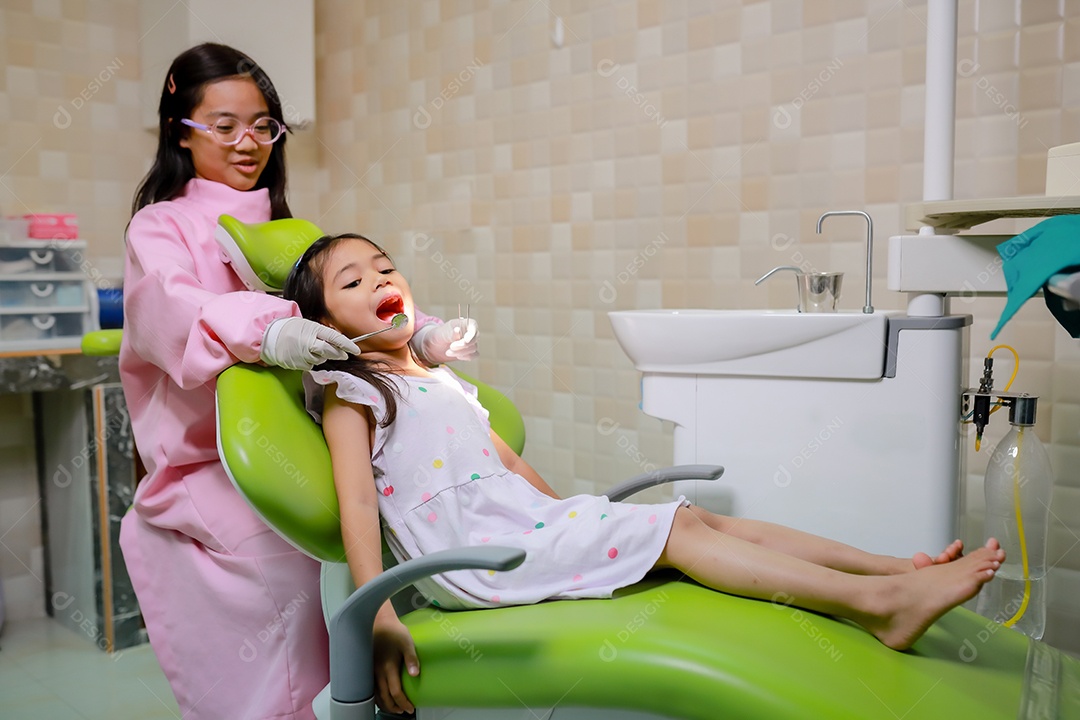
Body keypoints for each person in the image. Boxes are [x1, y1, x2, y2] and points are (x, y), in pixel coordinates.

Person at [284, 233, 1006, 715]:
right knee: (680, 532)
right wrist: (377, 611)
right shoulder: (355, 393)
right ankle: (875, 608)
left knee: (692, 518)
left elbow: (505, 464)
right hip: (479, 560)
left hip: (518, 528)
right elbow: (356, 500)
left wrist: (572, 514)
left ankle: (888, 574)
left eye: (385, 266)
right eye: (352, 280)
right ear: (326, 326)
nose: (380, 278)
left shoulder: (439, 381)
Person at [118, 44, 477, 719]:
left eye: (263, 125)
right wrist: (267, 331)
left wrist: (420, 328)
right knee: (295, 581)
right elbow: (168, 306)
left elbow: (350, 295)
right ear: (179, 129)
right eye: (224, 126)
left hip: (310, 447)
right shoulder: (159, 228)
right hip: (206, 469)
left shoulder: (287, 230)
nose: (248, 142)